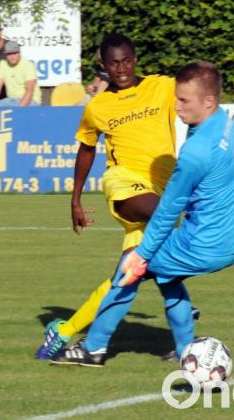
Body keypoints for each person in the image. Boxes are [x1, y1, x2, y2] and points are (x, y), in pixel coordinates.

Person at [51, 61, 234, 366]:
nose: (176, 107)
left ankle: (93, 348)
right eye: (176, 97)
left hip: (206, 244)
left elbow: (165, 212)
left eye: (184, 101)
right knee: (166, 274)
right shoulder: (223, 122)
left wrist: (141, 256)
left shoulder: (195, 152)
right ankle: (185, 349)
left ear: (208, 101)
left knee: (129, 267)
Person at [35, 33, 195, 360]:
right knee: (164, 216)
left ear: (135, 58)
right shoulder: (98, 106)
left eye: (126, 61)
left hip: (162, 185)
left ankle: (67, 332)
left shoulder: (162, 87)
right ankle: (186, 280)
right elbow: (86, 149)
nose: (121, 68)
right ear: (103, 65)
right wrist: (75, 199)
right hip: (123, 183)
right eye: (113, 63)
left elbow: (195, 100)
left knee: (133, 273)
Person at [0, 41, 42, 107]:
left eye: (14, 53)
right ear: (5, 55)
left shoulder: (28, 65)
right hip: (11, 100)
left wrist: (19, 110)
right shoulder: (2, 64)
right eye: (9, 54)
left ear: (19, 53)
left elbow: (29, 92)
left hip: (31, 100)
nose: (12, 56)